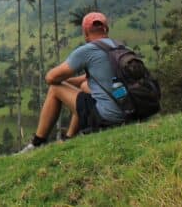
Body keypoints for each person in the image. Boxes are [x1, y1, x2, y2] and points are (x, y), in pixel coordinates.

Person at [18, 11, 127, 153]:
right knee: (84, 86)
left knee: (55, 88)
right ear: (106, 29)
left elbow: (51, 78)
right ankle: (69, 138)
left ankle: (36, 143)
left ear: (85, 33)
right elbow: (90, 79)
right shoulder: (120, 47)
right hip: (129, 112)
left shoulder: (88, 50)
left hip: (109, 118)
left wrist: (62, 82)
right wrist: (69, 82)